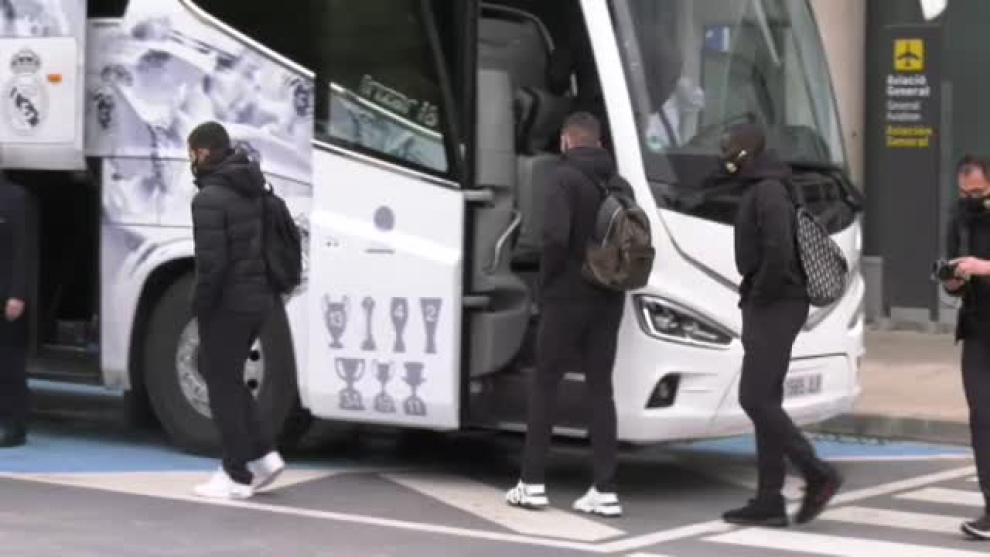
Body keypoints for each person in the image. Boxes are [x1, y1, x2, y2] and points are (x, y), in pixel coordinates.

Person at [506, 112, 629, 517]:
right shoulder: (619, 183)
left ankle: (531, 483)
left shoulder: (562, 179)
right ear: (599, 143)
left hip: (567, 297)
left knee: (545, 384)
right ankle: (605, 489)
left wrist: (545, 284)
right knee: (601, 390)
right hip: (609, 298)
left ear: (565, 141)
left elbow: (555, 238)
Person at [722, 123, 842, 527]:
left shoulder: (769, 190)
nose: (725, 154)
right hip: (773, 303)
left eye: (730, 147)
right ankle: (769, 499)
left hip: (776, 304)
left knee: (754, 398)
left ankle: (818, 473)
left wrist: (758, 298)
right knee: (766, 400)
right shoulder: (765, 185)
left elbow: (777, 252)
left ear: (747, 151)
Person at [187, 121, 285, 500]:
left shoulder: (208, 199)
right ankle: (263, 456)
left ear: (203, 151)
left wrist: (200, 307)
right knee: (228, 379)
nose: (190, 159)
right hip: (259, 301)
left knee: (221, 387)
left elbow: (211, 266)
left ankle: (235, 475)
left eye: (192, 152)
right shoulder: (251, 186)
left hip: (228, 304)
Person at [939, 154, 990, 540]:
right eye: (965, 192)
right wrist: (953, 279)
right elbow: (953, 275)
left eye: (979, 191)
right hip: (976, 327)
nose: (972, 198)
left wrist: (983, 267)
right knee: (981, 417)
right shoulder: (958, 217)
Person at [0, 174, 34, 447]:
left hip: (6, 296)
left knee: (9, 363)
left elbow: (23, 249)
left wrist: (17, 294)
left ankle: (15, 426)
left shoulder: (16, 197)